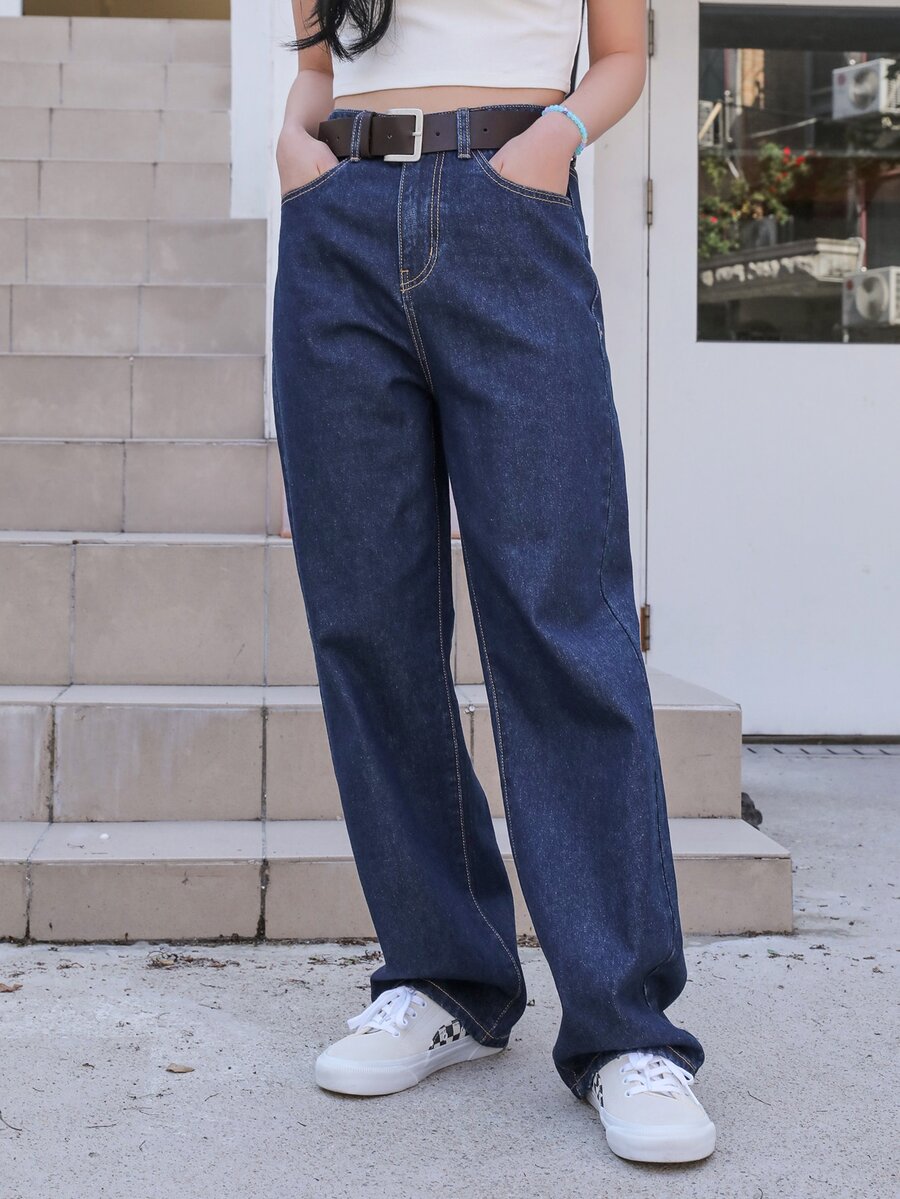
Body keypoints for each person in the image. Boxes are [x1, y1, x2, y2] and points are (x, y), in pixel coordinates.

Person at [272, 0, 716, 1165]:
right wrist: (297, 148)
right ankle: (443, 975)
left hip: (509, 206)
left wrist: (554, 139)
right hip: (337, 228)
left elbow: (622, 57)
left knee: (559, 617)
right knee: (367, 621)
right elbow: (316, 71)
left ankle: (626, 1026)